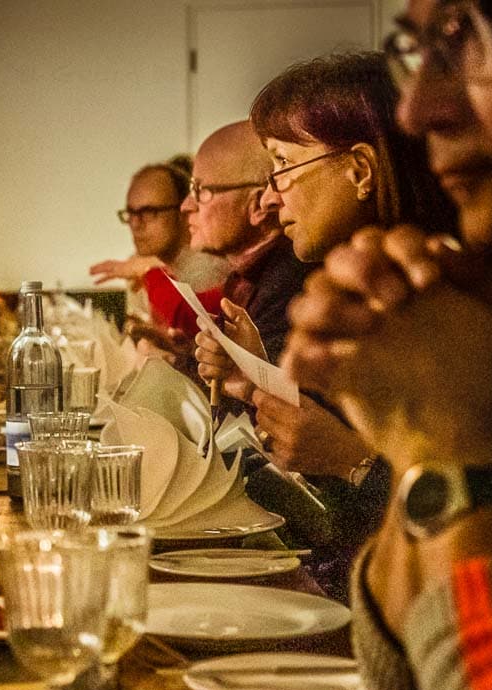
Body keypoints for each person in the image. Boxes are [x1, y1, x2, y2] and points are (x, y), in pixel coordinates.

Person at [283, 2, 492, 690]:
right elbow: (408, 687)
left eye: (466, 36)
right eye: (416, 48)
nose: (416, 109)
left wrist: (446, 452)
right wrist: (406, 435)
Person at [191, 53, 457, 597]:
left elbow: (486, 526)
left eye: (282, 166)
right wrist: (254, 377)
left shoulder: (441, 303)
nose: (268, 197)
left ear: (359, 170)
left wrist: (353, 463)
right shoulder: (358, 290)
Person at [180, 121, 313, 367]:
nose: (186, 205)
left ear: (257, 205)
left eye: (200, 190)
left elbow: (253, 395)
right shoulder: (246, 276)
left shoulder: (290, 284)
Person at [90, 157, 228, 349]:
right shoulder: (156, 264)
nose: (136, 224)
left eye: (149, 211)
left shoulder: (211, 258)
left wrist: (149, 272)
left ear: (183, 211)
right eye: (131, 213)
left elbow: (191, 318)